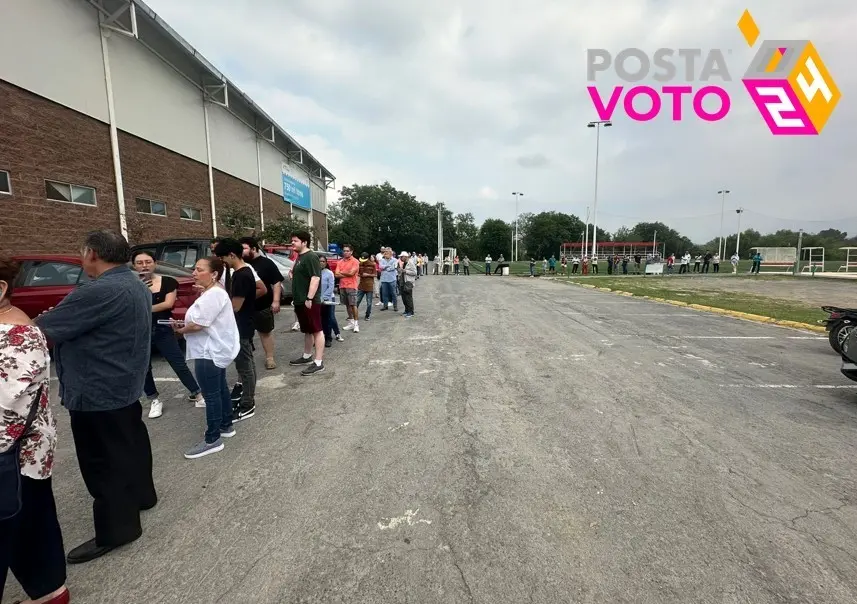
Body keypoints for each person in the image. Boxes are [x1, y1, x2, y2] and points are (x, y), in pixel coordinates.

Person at [35, 230, 156, 565]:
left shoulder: (98, 290)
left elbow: (40, 330)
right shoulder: (134, 282)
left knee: (103, 462)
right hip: (124, 383)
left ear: (91, 253)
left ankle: (118, 529)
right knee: (130, 444)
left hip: (98, 389)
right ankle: (143, 496)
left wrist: (52, 318)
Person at [0, 256, 69, 604]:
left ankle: (49, 590)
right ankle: (48, 592)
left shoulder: (17, 336)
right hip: (23, 451)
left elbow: (6, 404)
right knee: (30, 522)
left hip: (16, 451)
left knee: (27, 521)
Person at [172, 257, 239, 459]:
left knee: (211, 395)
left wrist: (181, 330)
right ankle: (226, 425)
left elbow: (198, 324)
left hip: (208, 351)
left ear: (214, 274)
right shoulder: (212, 293)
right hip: (212, 349)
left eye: (199, 269)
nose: (194, 272)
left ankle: (212, 439)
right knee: (219, 389)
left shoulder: (214, 295)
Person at [132, 251, 203, 419]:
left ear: (154, 263)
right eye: (140, 262)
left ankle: (197, 394)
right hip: (139, 332)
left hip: (163, 328)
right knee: (144, 368)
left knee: (178, 363)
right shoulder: (132, 285)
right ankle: (154, 400)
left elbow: (168, 304)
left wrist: (142, 308)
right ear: (134, 266)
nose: (144, 265)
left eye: (148, 261)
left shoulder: (168, 282)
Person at [214, 239, 259, 422]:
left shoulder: (241, 275)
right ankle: (247, 398)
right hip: (244, 324)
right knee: (248, 365)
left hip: (240, 326)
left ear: (232, 255)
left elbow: (235, 307)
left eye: (223, 257)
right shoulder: (242, 271)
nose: (223, 262)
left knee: (245, 367)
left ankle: (248, 404)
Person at [240, 237, 284, 370]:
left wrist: (276, 301)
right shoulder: (241, 264)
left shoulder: (266, 263)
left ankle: (269, 358)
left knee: (265, 332)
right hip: (244, 307)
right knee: (244, 335)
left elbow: (276, 282)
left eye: (244, 248)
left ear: (253, 249)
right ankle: (247, 360)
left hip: (262, 305)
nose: (241, 252)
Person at [288, 231, 326, 376]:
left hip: (309, 301)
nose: (292, 243)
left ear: (304, 242)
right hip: (300, 300)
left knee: (316, 329)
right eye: (292, 241)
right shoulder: (300, 256)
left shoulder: (311, 257)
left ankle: (318, 362)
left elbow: (315, 278)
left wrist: (309, 298)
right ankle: (306, 356)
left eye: (295, 241)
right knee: (308, 330)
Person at [320, 256, 344, 347]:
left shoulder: (329, 273)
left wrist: (324, 297)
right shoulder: (315, 273)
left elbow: (330, 287)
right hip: (317, 300)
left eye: (323, 261)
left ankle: (329, 337)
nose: (321, 263)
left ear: (326, 263)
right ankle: (320, 338)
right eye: (319, 261)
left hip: (328, 300)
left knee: (329, 319)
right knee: (319, 320)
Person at [336, 244, 361, 333]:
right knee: (347, 305)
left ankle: (356, 323)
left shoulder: (355, 261)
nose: (345, 252)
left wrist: (342, 273)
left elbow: (352, 273)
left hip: (351, 285)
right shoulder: (340, 262)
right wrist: (347, 273)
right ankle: (351, 322)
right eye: (344, 251)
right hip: (342, 285)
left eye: (347, 251)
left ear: (351, 252)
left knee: (353, 305)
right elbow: (336, 274)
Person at [356, 252, 376, 321]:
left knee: (369, 303)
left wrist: (367, 275)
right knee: (357, 301)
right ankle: (354, 315)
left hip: (369, 286)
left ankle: (367, 315)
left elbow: (375, 275)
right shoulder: (360, 264)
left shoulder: (373, 265)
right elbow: (358, 273)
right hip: (361, 285)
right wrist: (360, 275)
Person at [399, 251, 417, 318]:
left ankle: (411, 312)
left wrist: (405, 271)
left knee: (408, 297)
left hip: (408, 283)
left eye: (401, 256)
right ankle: (406, 310)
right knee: (404, 298)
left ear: (405, 257)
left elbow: (415, 272)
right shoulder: (404, 263)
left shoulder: (411, 262)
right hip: (403, 282)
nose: (400, 258)